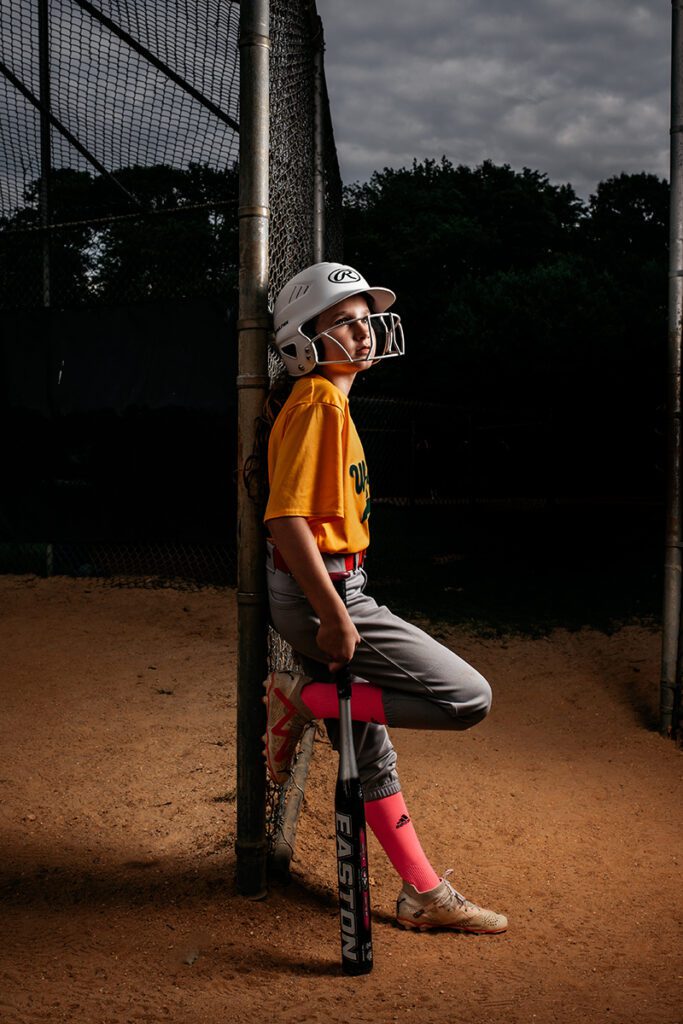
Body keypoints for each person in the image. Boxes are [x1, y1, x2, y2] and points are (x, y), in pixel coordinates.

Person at [260, 261, 507, 934]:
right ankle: (303, 700)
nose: (363, 331)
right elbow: (286, 521)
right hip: (327, 596)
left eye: (365, 318)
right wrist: (336, 618)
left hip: (334, 587)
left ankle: (421, 894)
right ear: (301, 341)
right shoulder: (316, 403)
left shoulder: (331, 402)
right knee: (466, 699)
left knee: (369, 749)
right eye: (343, 320)